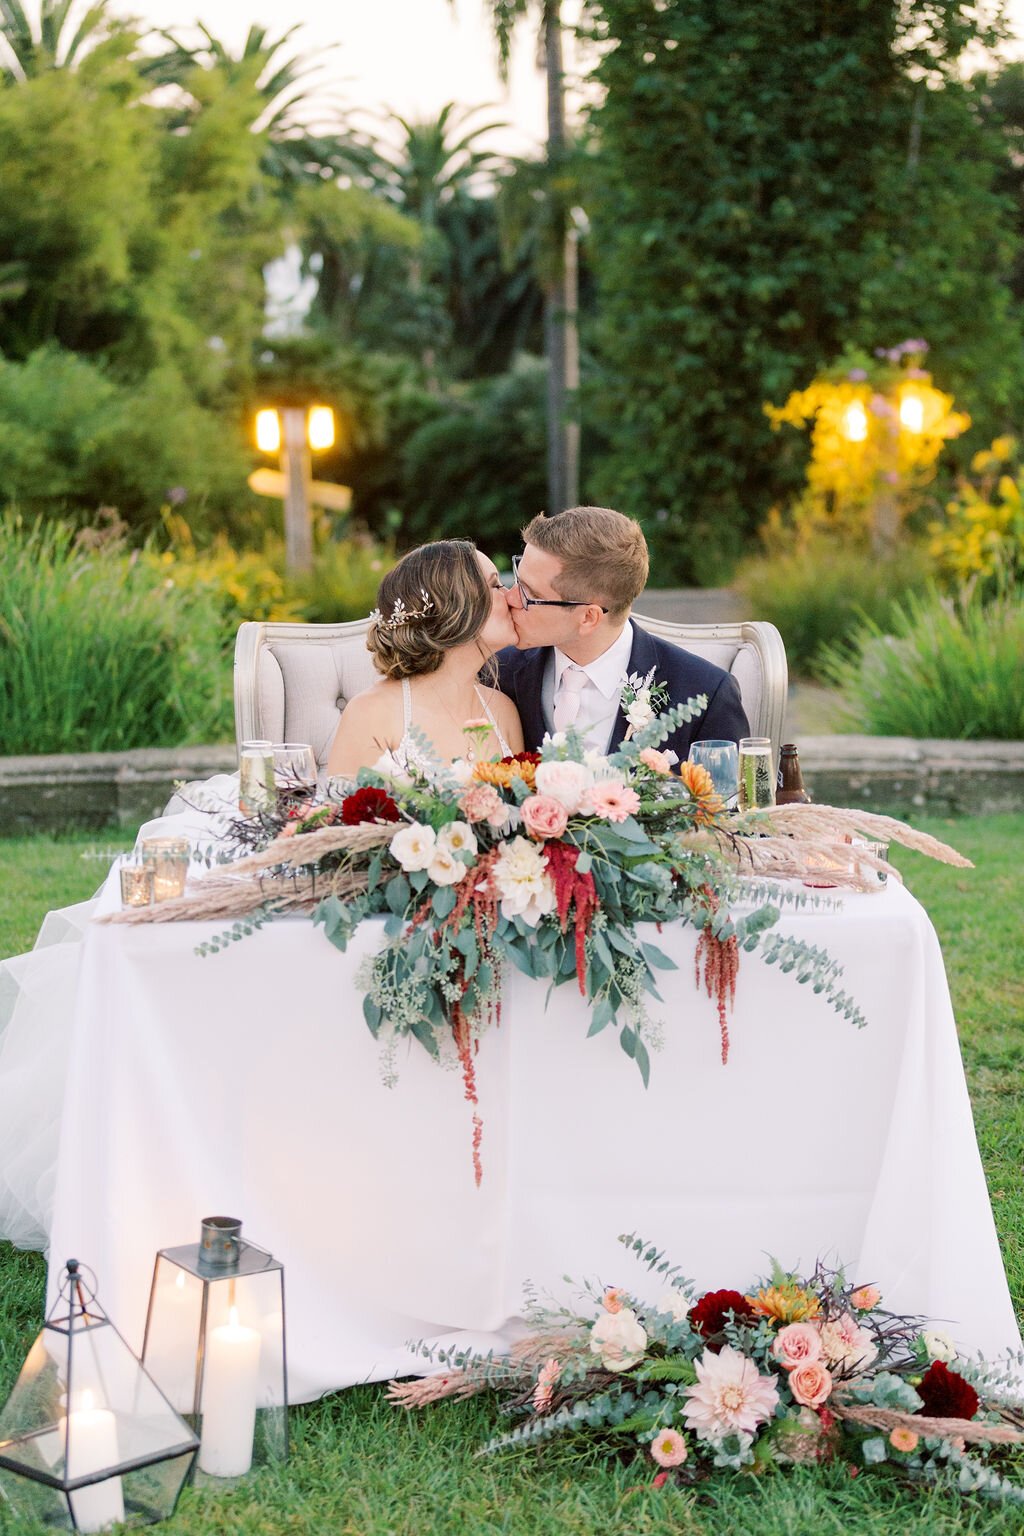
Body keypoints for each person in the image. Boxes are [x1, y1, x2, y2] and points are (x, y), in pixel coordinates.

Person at [498, 506, 749, 758]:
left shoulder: (705, 695)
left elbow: (729, 796)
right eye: (518, 580)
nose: (509, 597)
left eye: (530, 595)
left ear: (588, 617)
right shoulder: (498, 672)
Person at [326, 540, 524, 778]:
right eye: (495, 585)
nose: (512, 596)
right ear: (455, 609)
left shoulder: (504, 711)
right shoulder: (371, 713)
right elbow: (342, 811)